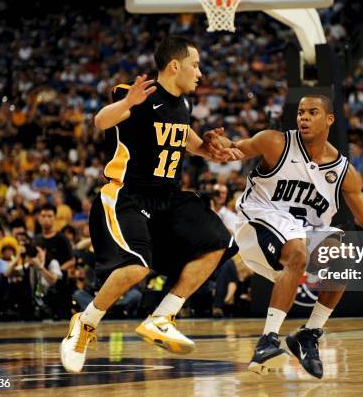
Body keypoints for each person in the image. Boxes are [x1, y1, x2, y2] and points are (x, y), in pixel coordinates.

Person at [60, 36, 241, 373]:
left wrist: (211, 150)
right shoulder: (136, 95)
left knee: (219, 241)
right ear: (175, 65)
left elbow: (187, 141)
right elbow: (101, 121)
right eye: (195, 65)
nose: (200, 73)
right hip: (127, 195)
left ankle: (162, 317)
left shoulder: (184, 106)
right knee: (136, 267)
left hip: (168, 199)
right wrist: (126, 103)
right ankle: (84, 325)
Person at [206, 94, 363, 378]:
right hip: (259, 219)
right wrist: (216, 143)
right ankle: (267, 341)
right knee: (297, 251)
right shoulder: (275, 142)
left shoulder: (344, 171)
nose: (303, 117)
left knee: (342, 257)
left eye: (312, 112)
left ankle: (309, 334)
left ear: (329, 119)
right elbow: (235, 147)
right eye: (301, 112)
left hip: (300, 230)